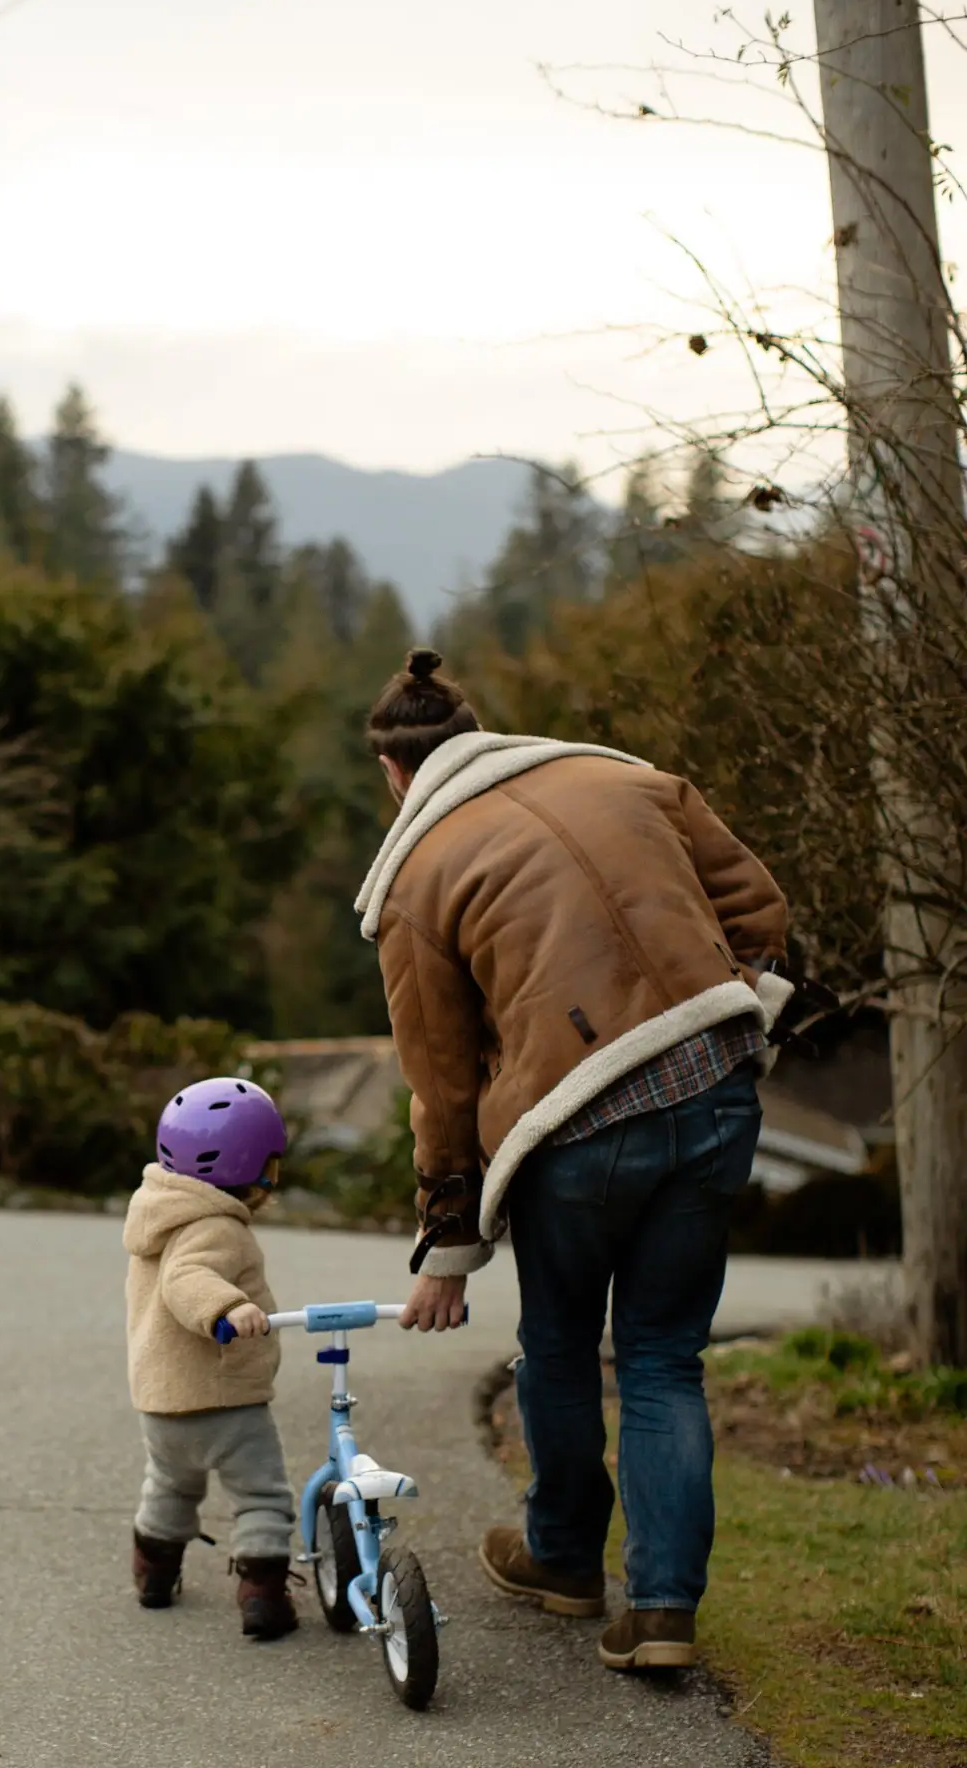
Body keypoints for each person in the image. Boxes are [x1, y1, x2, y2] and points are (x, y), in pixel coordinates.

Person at [359, 648, 793, 1672]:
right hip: (714, 1084)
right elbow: (761, 913)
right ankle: (660, 1614)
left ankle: (558, 1557)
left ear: (392, 775)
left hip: (574, 1128)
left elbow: (444, 1084)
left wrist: (446, 1241)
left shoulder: (417, 878)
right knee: (659, 1358)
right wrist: (735, 1013)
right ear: (475, 733)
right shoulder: (630, 779)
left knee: (558, 1348)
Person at [123, 1075, 300, 1640]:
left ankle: (154, 1572)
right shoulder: (218, 1227)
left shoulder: (160, 1212)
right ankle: (263, 1597)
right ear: (257, 1167)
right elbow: (186, 1280)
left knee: (171, 1487)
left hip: (162, 1403)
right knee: (261, 1495)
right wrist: (227, 1307)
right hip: (225, 1399)